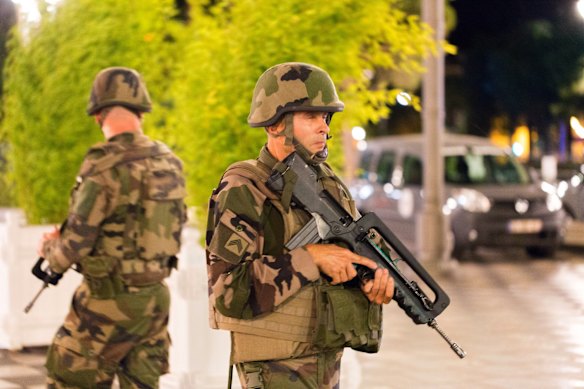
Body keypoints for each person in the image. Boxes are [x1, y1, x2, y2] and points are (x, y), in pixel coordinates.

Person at [205, 62, 395, 388]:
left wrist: (371, 279)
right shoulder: (246, 187)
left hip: (326, 363)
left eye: (326, 117)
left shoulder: (331, 187)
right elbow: (227, 292)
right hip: (274, 368)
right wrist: (312, 258)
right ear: (276, 123)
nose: (324, 127)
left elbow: (347, 262)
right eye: (311, 116)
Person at [37, 66, 187, 389]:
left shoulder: (102, 165)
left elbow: (74, 246)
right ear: (141, 112)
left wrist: (50, 247)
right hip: (155, 299)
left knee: (68, 379)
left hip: (108, 303)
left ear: (98, 114)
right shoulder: (170, 162)